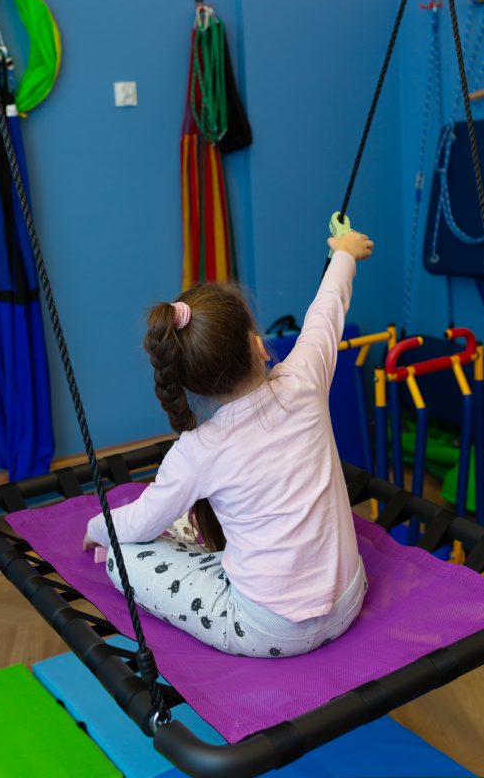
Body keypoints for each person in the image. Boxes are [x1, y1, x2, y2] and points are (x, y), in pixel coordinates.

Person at [84, 229, 374, 657]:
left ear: (190, 384)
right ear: (258, 346)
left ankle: (180, 537)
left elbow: (137, 524)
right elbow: (327, 310)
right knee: (185, 520)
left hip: (270, 632)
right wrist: (344, 254)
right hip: (348, 600)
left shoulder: (197, 449)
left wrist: (95, 529)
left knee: (120, 554)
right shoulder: (306, 379)